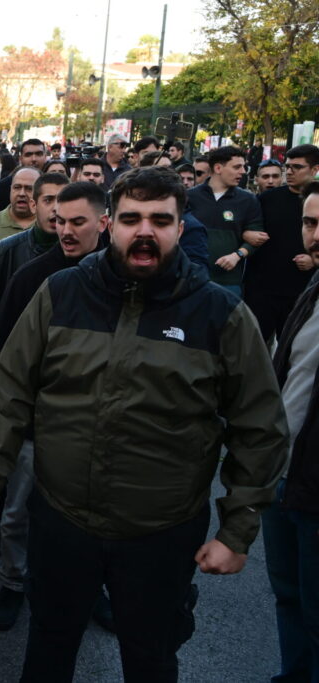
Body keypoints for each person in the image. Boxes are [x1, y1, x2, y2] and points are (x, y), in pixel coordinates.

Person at [0, 166, 289, 681]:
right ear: (111, 224)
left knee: (151, 656)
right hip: (62, 520)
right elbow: (12, 386)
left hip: (161, 533)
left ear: (181, 228)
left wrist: (238, 529)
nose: (145, 231)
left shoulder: (220, 314)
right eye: (132, 218)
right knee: (49, 646)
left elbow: (260, 425)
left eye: (161, 220)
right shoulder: (60, 293)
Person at [0, 181, 109, 631]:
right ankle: (13, 584)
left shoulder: (127, 279)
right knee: (16, 515)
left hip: (97, 433)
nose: (67, 231)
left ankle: (94, 590)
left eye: (78, 222)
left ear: (104, 222)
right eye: (60, 221)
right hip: (33, 425)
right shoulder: (32, 277)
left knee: (93, 524)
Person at [266, 180, 319, 683]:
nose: (315, 235)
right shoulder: (312, 289)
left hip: (315, 490)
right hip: (283, 477)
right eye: (309, 222)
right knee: (288, 598)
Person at [244, 145, 319, 342]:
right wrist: (247, 233)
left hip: (301, 291)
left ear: (314, 169)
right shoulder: (267, 199)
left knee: (292, 349)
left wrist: (314, 260)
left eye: (297, 167)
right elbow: (245, 226)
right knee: (254, 347)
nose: (290, 172)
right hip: (262, 290)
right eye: (288, 166)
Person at [186, 145, 264, 297]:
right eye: (237, 167)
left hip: (229, 283)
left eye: (243, 167)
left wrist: (237, 255)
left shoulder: (248, 200)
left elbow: (257, 237)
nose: (242, 171)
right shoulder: (189, 196)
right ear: (218, 168)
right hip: (191, 278)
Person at [0, 139, 46, 216]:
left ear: (45, 157)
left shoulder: (53, 186)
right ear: (20, 159)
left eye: (38, 154)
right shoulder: (1, 189)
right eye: (28, 155)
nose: (34, 159)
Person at [0, 167, 40, 243]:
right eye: (17, 187)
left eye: (29, 189)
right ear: (10, 189)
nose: (21, 193)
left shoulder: (50, 225)